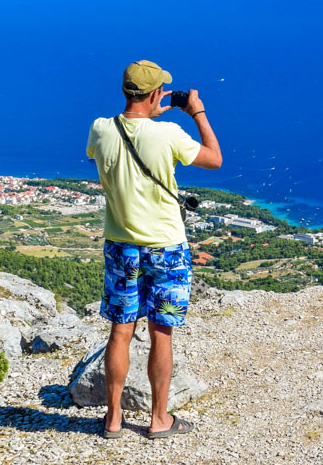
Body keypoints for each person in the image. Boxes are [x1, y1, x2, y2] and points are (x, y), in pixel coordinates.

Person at [86, 60, 222, 439]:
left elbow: (119, 140)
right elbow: (214, 158)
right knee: (161, 333)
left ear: (126, 90)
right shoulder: (168, 134)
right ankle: (159, 419)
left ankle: (113, 419)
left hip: (120, 246)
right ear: (157, 93)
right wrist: (197, 112)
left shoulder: (100, 129)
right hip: (166, 247)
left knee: (120, 331)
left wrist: (144, 115)